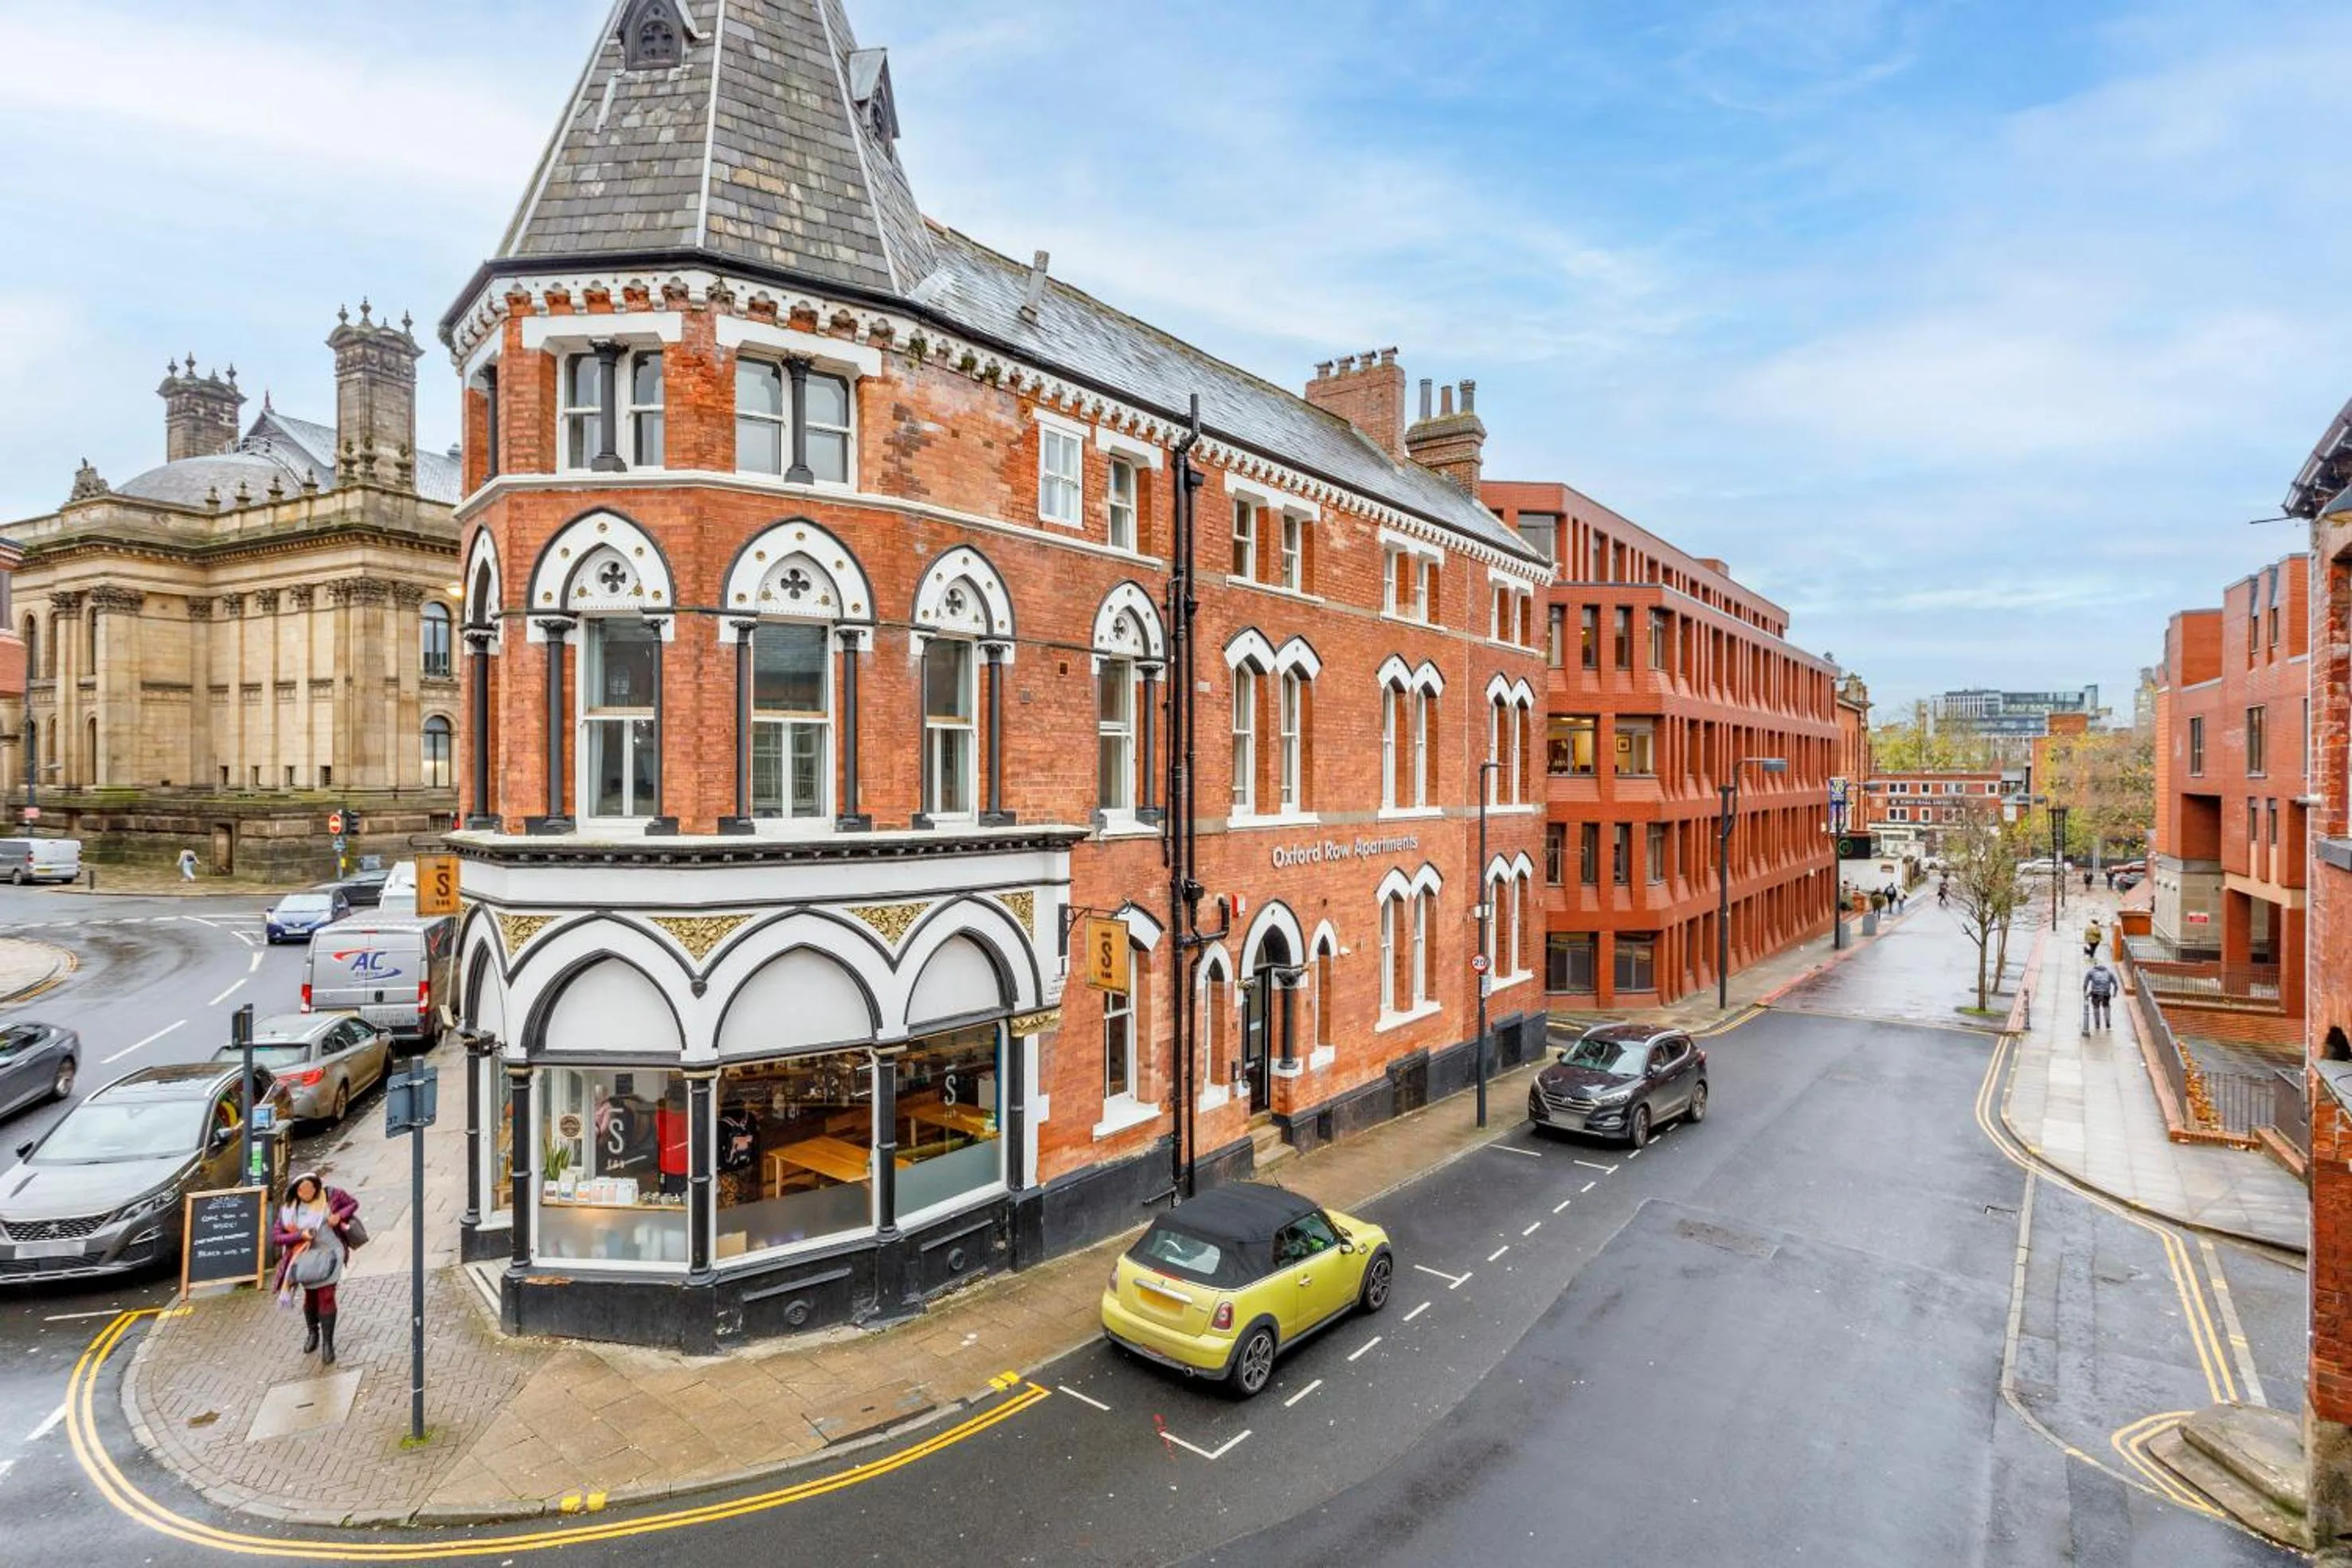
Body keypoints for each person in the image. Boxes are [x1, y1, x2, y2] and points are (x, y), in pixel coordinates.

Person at [272, 1172, 361, 1364]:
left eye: (312, 1188)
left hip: (331, 1254)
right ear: (296, 1191)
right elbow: (277, 1237)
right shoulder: (288, 1210)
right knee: (311, 1296)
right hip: (305, 1258)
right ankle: (313, 1332)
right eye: (303, 1190)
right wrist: (300, 1236)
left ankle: (328, 1344)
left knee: (327, 1295)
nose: (308, 1192)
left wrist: (339, 1215)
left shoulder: (332, 1196)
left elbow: (353, 1204)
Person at [2084, 957, 2118, 1030]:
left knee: (2096, 1008)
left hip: (2095, 993)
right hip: (2106, 993)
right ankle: (2108, 1025)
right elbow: (2115, 984)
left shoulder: (2091, 972)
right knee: (2106, 1007)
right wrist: (2114, 993)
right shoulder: (2109, 972)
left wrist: (2085, 992)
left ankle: (2097, 1025)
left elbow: (2085, 983)